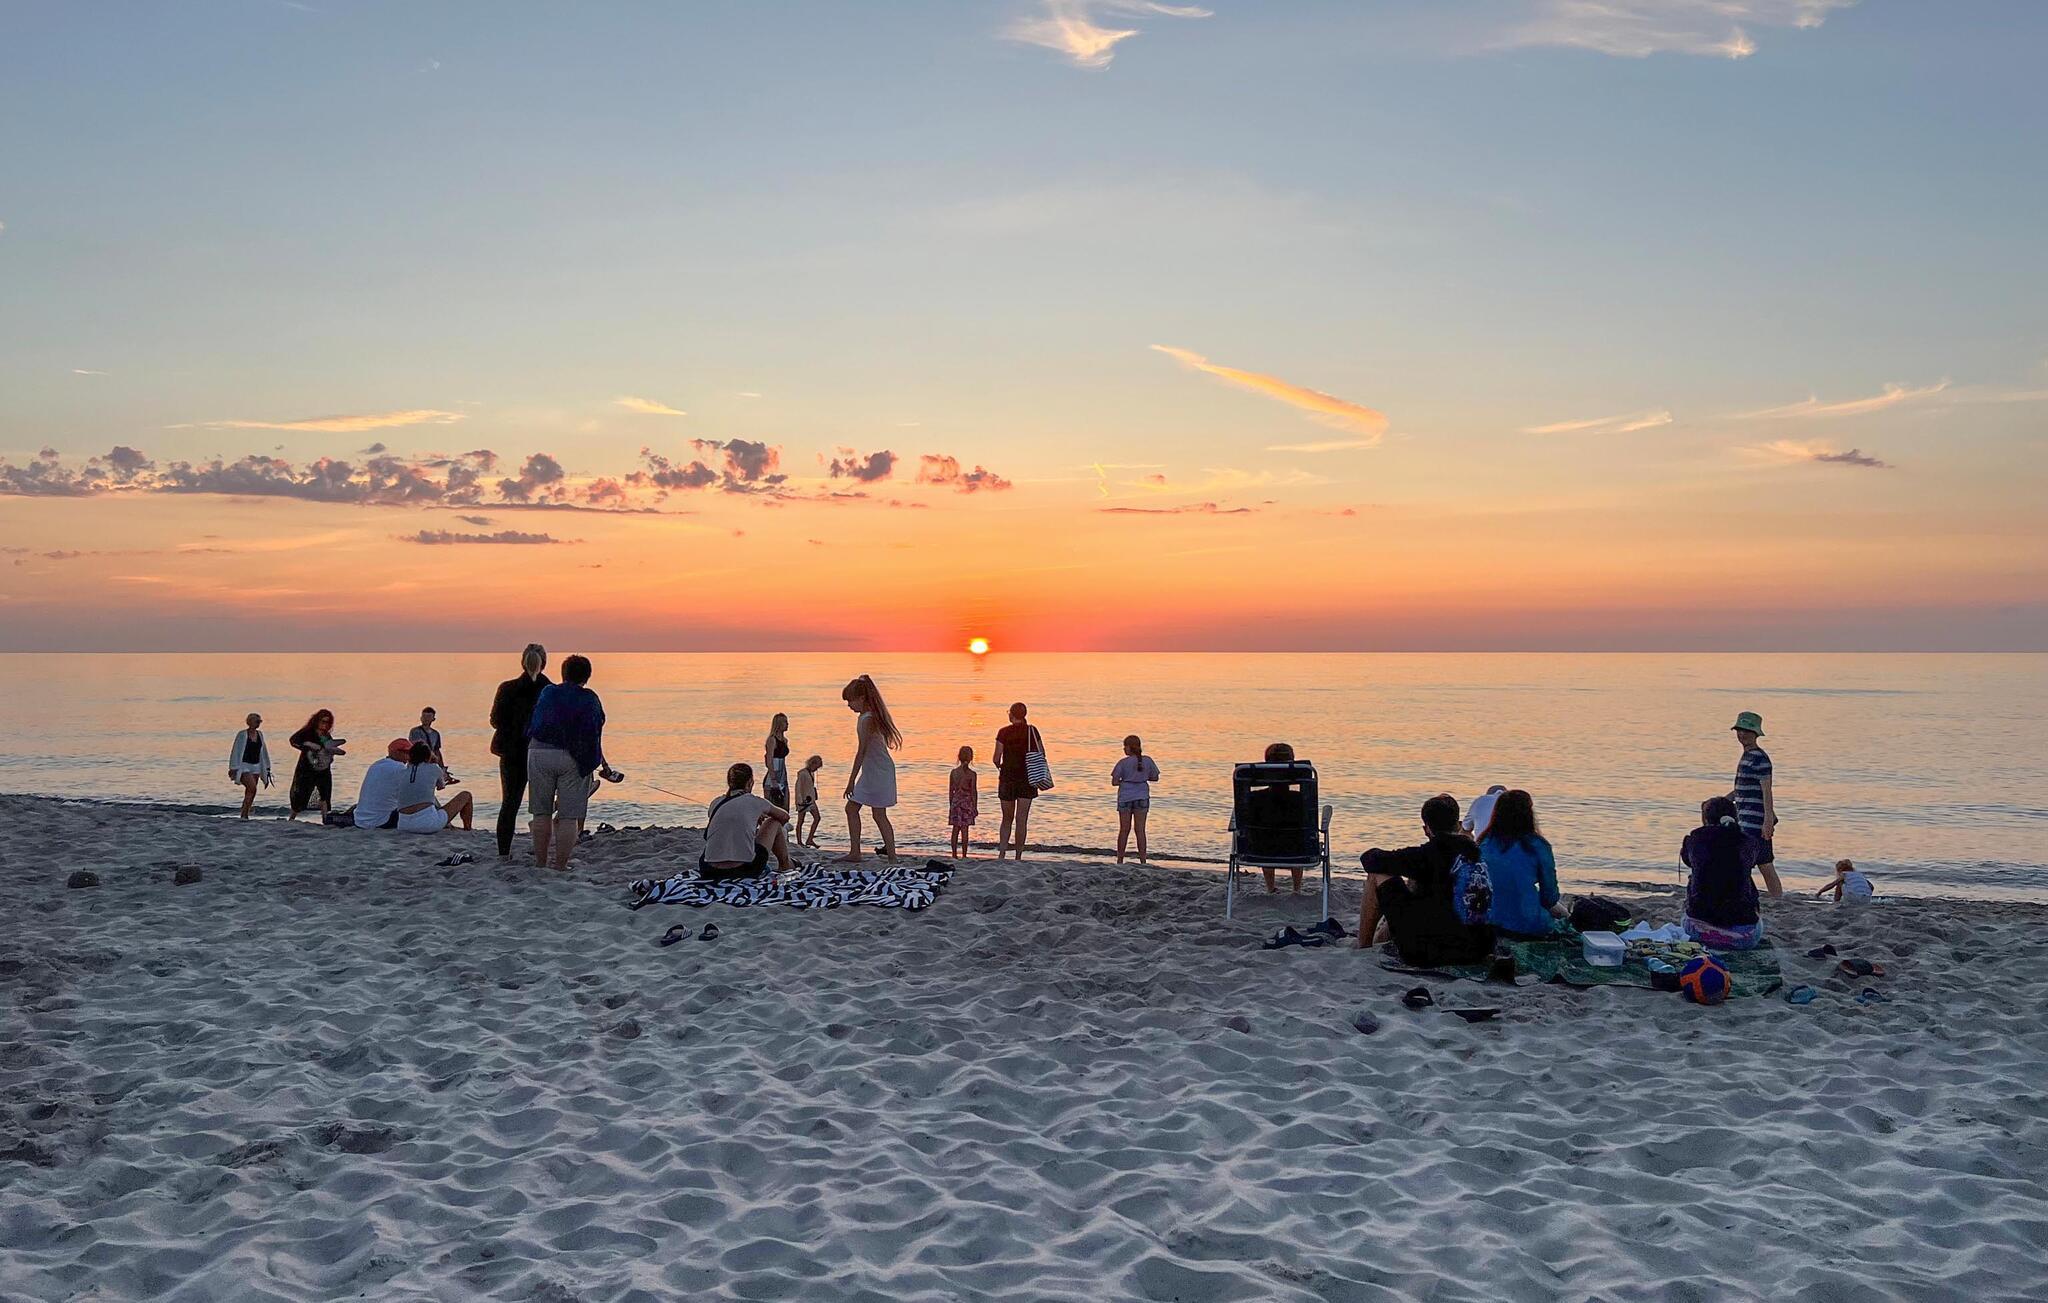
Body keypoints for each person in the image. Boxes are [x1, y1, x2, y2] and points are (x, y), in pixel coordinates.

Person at [1355, 794, 1493, 967]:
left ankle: (1363, 946)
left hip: (1432, 950)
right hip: (1478, 948)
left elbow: (1369, 859)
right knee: (1416, 883)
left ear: (1426, 829)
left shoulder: (1428, 855)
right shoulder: (1476, 853)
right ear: (1458, 825)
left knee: (1377, 875)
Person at [526, 654, 618, 871]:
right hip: (572, 757)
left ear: (563, 673)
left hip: (539, 751)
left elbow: (536, 721)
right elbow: (594, 731)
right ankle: (560, 865)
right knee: (569, 816)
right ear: (587, 676)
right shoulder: (589, 699)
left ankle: (540, 863)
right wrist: (599, 762)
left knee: (541, 812)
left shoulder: (548, 692)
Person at [488, 643, 551, 858]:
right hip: (540, 752)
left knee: (509, 804)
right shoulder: (550, 690)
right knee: (542, 807)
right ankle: (541, 851)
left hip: (512, 753)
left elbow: (495, 720)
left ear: (522, 663)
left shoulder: (507, 688)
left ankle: (503, 853)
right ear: (544, 663)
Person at [1478, 789, 1566, 937]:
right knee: (1564, 915)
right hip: (1528, 924)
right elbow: (1549, 897)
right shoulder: (1538, 845)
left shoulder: (1483, 843)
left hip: (1489, 920)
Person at [1680, 796, 1763, 949]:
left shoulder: (1694, 838)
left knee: (1694, 878)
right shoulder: (1748, 842)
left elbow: (1687, 861)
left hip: (1698, 932)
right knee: (1744, 878)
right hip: (1744, 936)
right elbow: (1751, 861)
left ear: (1705, 819)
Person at [838, 674, 901, 863]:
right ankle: (856, 852)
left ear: (862, 698)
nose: (849, 705)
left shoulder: (868, 719)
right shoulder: (866, 717)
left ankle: (892, 857)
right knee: (853, 809)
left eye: (850, 701)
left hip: (878, 772)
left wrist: (851, 781)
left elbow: (862, 751)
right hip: (873, 771)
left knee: (878, 814)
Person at [353, 738, 476, 833]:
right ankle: (466, 829)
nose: (409, 755)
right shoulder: (400, 769)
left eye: (410, 753)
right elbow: (432, 788)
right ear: (396, 752)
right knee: (464, 795)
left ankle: (446, 823)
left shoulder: (377, 765)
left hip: (364, 820)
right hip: (381, 821)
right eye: (406, 752)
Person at [700, 762, 793, 881]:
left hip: (709, 870)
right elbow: (784, 817)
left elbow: (731, 825)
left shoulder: (716, 803)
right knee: (773, 822)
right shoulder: (755, 802)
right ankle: (785, 864)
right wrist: (761, 817)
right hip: (744, 870)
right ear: (750, 783)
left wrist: (753, 818)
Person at [1729, 710, 1782, 898]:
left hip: (1755, 820)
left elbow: (1767, 790)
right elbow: (1742, 789)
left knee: (1753, 862)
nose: (1742, 734)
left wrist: (1768, 820)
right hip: (1745, 818)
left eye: (1746, 731)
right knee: (1763, 863)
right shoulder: (1747, 756)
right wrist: (1721, 801)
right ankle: (1776, 898)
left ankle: (1772, 897)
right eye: (1739, 730)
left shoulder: (1759, 758)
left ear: (1755, 733)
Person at [1249, 741, 1310, 894]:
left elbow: (1248, 822)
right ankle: (1297, 889)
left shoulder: (1254, 798)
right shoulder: (1301, 800)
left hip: (1259, 851)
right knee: (1298, 836)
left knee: (1262, 834)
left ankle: (1270, 888)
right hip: (1297, 851)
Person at [992, 702, 1046, 861]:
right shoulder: (1032, 731)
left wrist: (1000, 766)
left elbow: (996, 758)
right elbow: (1041, 752)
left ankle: (1002, 853)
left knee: (1006, 819)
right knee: (1021, 820)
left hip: (1008, 778)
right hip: (1027, 778)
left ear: (1012, 715)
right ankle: (1018, 856)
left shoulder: (1003, 732)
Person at [286, 709, 345, 822]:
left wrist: (331, 755)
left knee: (325, 793)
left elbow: (330, 749)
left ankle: (325, 819)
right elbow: (293, 740)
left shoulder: (326, 736)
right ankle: (292, 818)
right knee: (301, 794)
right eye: (323, 721)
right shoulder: (307, 732)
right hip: (306, 768)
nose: (325, 724)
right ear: (317, 720)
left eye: (328, 722)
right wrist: (308, 746)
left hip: (323, 769)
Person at [1111, 734, 1160, 865]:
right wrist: (1142, 778)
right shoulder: (1148, 760)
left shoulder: (1123, 763)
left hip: (1125, 797)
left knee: (1124, 830)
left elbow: (1114, 782)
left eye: (1125, 746)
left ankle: (1120, 859)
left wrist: (1125, 781)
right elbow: (1155, 777)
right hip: (1142, 796)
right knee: (1140, 830)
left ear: (1129, 747)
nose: (1124, 749)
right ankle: (1143, 860)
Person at [228, 713, 272, 819]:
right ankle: (244, 813)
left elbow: (263, 751)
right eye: (256, 721)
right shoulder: (242, 734)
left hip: (256, 766)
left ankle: (244, 814)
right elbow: (236, 750)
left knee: (250, 791)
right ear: (250, 722)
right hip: (244, 766)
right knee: (252, 788)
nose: (258, 723)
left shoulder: (260, 734)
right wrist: (233, 768)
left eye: (259, 722)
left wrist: (267, 767)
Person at [948, 745, 979, 859]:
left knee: (955, 829)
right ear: (971, 758)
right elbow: (973, 791)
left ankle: (954, 854)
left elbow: (951, 791)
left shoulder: (954, 772)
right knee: (965, 829)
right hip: (966, 802)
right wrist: (975, 806)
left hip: (956, 802)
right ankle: (964, 855)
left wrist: (951, 804)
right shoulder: (972, 774)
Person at [411, 706, 454, 783]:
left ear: (433, 719)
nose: (425, 719)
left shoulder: (435, 733)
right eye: (424, 716)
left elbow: (437, 750)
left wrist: (441, 767)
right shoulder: (415, 731)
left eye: (428, 716)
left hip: (432, 762)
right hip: (420, 762)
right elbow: (416, 747)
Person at [793, 755, 824, 847]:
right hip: (803, 801)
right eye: (816, 767)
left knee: (817, 818)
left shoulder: (811, 773)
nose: (816, 769)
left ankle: (810, 839)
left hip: (811, 800)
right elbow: (798, 787)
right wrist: (799, 800)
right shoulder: (802, 773)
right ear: (812, 763)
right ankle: (799, 841)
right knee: (800, 821)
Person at [763, 713, 792, 809]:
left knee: (785, 808)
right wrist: (773, 779)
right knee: (771, 808)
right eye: (785, 722)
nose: (787, 724)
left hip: (783, 776)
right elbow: (769, 760)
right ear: (779, 724)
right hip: (772, 777)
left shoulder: (785, 741)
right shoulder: (772, 740)